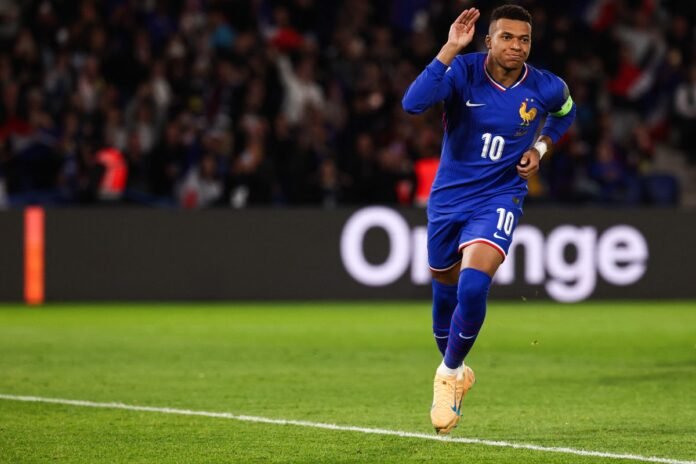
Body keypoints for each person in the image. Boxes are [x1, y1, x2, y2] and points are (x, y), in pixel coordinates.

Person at [402, 5, 575, 435]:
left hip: (500, 196)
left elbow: (566, 113)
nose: (516, 46)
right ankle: (457, 370)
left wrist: (541, 148)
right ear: (489, 40)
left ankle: (447, 374)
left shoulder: (546, 86)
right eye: (507, 37)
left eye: (524, 39)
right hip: (449, 200)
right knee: (444, 299)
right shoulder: (462, 71)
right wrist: (449, 48)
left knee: (474, 285)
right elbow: (413, 103)